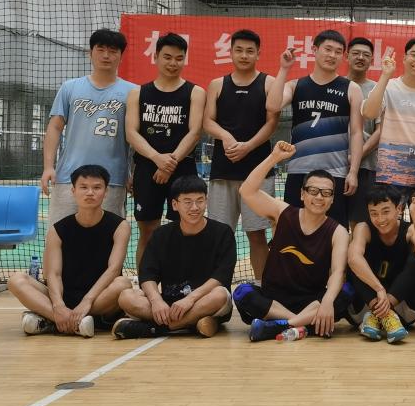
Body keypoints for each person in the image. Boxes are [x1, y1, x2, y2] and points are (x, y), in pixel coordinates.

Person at [234, 142, 352, 342]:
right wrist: (274, 158)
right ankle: (301, 324)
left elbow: (338, 272)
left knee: (346, 291)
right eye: (313, 191)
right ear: (302, 194)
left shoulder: (338, 232)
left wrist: (327, 301)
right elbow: (247, 191)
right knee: (242, 292)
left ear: (332, 199)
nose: (319, 197)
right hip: (274, 301)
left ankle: (278, 326)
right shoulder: (282, 213)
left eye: (326, 193)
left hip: (311, 301)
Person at [10, 165, 131, 338]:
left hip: (99, 297)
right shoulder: (57, 230)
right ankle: (69, 321)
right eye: (84, 187)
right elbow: (54, 274)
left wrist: (87, 300)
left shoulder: (120, 226)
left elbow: (114, 269)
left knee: (123, 284)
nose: (90, 193)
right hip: (64, 295)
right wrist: (58, 305)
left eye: (97, 187)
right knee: (16, 280)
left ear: (106, 192)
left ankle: (52, 321)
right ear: (73, 191)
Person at [113, 176, 236, 339]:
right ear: (174, 205)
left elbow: (221, 276)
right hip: (169, 304)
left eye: (200, 201)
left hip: (204, 300)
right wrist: (156, 301)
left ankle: (155, 328)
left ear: (206, 201)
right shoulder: (161, 235)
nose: (195, 207)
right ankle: (191, 323)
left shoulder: (223, 232)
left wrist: (190, 299)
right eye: (187, 202)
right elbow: (147, 274)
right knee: (126, 297)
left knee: (219, 294)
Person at [266, 29, 364, 227]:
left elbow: (356, 132)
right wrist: (284, 69)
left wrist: (353, 171)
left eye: (338, 52)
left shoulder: (351, 88)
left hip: (335, 173)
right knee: (293, 230)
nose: (332, 55)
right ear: (314, 50)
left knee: (335, 232)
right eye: (327, 49)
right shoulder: (296, 85)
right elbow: (272, 106)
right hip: (299, 171)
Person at [125, 32, 206, 269]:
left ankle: (181, 282)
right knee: (148, 230)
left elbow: (195, 132)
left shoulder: (195, 92)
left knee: (185, 228)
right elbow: (131, 133)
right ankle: (145, 283)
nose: (173, 63)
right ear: (156, 57)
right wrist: (156, 158)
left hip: (183, 168)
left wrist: (170, 162)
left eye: (179, 58)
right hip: (147, 168)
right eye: (167, 57)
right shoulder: (138, 93)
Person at [203, 29, 277, 282]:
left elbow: (271, 123)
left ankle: (262, 288)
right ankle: (218, 290)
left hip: (258, 173)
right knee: (219, 235)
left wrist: (248, 146)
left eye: (250, 51)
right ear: (231, 52)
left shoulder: (268, 83)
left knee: (257, 235)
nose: (244, 55)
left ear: (258, 54)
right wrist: (226, 137)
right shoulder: (217, 84)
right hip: (223, 172)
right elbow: (208, 121)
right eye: (239, 50)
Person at [42, 28, 134, 224]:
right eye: (100, 49)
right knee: (60, 233)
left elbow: (136, 137)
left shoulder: (133, 92)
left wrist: (132, 173)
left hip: (112, 180)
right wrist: (48, 167)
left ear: (121, 56)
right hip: (68, 178)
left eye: (113, 51)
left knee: (108, 236)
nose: (106, 55)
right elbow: (55, 127)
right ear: (90, 53)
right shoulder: (70, 87)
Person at [362, 39, 415, 229]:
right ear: (404, 58)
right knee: (387, 228)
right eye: (414, 55)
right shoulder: (388, 86)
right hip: (390, 177)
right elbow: (369, 113)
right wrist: (385, 76)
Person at [348, 186, 415, 343]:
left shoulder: (409, 229)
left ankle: (380, 314)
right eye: (374, 213)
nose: (380, 219)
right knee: (354, 261)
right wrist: (379, 289)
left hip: (402, 308)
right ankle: (383, 314)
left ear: (399, 209)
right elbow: (353, 259)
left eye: (386, 211)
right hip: (368, 303)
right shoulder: (363, 228)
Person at [347, 37, 383, 228]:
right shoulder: (336, 85)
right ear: (347, 56)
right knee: (332, 223)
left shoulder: (377, 89)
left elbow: (380, 131)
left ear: (371, 60)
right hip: (335, 165)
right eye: (356, 53)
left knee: (360, 224)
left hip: (367, 167)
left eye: (366, 55)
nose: (360, 57)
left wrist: (357, 155)